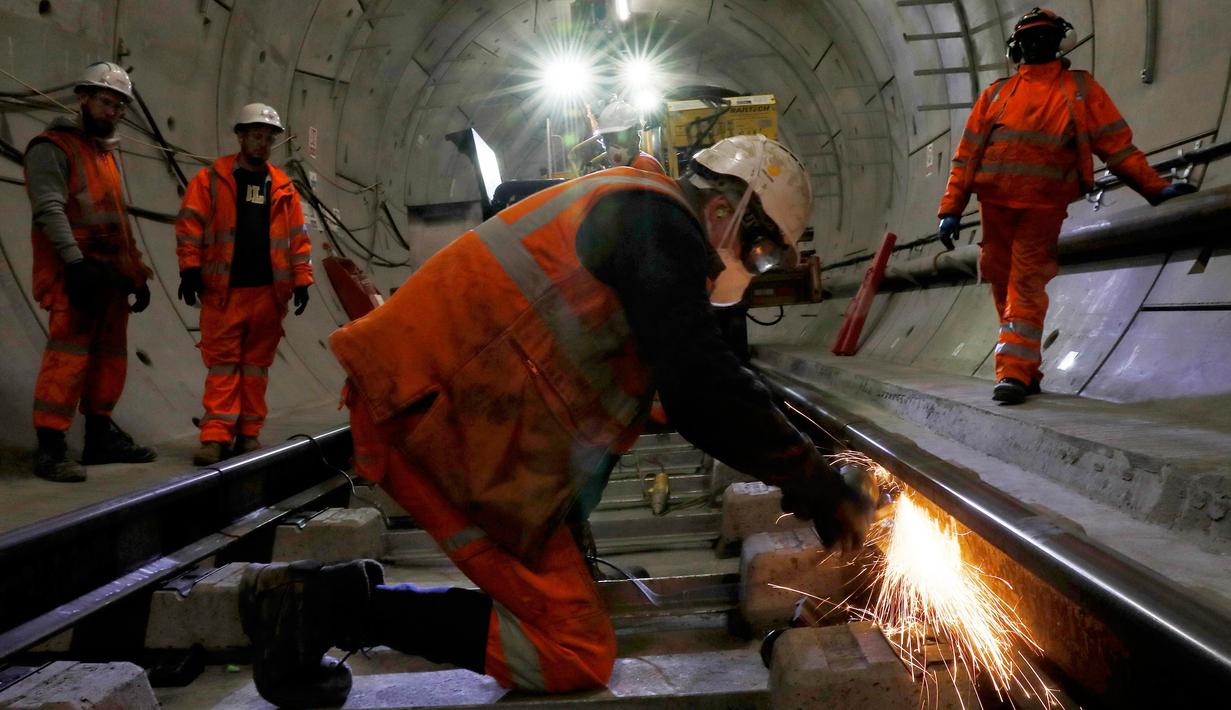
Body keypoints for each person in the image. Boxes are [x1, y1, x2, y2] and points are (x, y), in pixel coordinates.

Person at [236, 134, 876, 708]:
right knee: (571, 649)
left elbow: (677, 379)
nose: (758, 269)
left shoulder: (638, 214)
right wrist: (814, 480)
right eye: (762, 255)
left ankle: (327, 599)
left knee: (567, 612)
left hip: (458, 415)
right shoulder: (657, 224)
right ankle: (321, 608)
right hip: (432, 418)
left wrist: (788, 438)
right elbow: (701, 386)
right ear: (724, 213)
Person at [936, 7, 1196, 405]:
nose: (1036, 44)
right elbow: (967, 155)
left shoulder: (1080, 89)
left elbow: (1116, 146)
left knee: (1024, 285)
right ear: (1018, 46)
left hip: (1041, 207)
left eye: (1043, 37)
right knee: (1003, 285)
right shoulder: (997, 94)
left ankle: (1013, 374)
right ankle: (1027, 369)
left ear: (1059, 43)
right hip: (996, 207)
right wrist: (951, 206)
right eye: (1031, 38)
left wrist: (1154, 188)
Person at [24, 61, 157, 483]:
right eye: (106, 101)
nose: (113, 111)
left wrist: (136, 273)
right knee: (67, 358)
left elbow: (117, 222)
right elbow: (49, 209)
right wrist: (74, 263)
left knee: (108, 359)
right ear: (82, 97)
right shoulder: (54, 148)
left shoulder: (103, 155)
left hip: (110, 280)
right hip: (77, 276)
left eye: (120, 105)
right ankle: (50, 446)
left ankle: (99, 437)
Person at [174, 103, 314, 465]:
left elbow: (298, 240)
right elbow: (190, 225)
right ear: (240, 136)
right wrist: (189, 268)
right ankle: (216, 437)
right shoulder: (210, 181)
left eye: (268, 137)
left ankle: (248, 434)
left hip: (268, 295)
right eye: (256, 135)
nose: (263, 143)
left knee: (255, 369)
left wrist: (302, 280)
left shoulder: (283, 189)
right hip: (224, 292)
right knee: (223, 366)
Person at [569, 99, 665, 175]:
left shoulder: (644, 165)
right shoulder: (629, 166)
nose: (612, 147)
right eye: (608, 139)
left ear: (635, 138)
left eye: (618, 138)